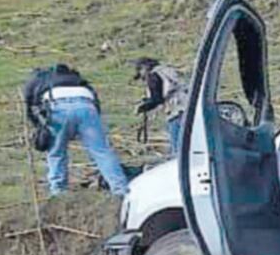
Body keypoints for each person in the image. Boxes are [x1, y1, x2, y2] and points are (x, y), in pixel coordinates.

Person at [23, 64, 128, 196]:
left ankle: (58, 191)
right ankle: (120, 189)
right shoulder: (77, 79)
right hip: (86, 105)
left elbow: (29, 103)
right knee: (101, 151)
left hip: (57, 107)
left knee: (56, 152)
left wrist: (39, 127)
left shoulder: (38, 78)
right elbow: (96, 102)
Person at [133, 58, 188, 156]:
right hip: (188, 106)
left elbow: (157, 99)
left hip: (175, 111)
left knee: (177, 147)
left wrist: (141, 108)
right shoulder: (168, 71)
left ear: (143, 68)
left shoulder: (153, 76)